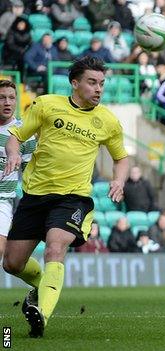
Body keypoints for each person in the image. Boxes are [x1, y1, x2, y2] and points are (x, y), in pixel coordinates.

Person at [2, 56, 129, 338]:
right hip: (35, 196)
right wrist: (12, 151)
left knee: (55, 247)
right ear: (74, 83)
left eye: (102, 84)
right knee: (12, 263)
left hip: (73, 198)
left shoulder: (107, 120)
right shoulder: (47, 105)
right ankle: (41, 288)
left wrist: (118, 180)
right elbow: (16, 135)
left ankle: (41, 315)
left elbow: (121, 158)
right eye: (92, 82)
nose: (99, 89)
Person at [0, 80, 36, 260]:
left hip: (3, 199)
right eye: (2, 98)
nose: (7, 102)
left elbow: (30, 171)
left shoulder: (23, 133)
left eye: (11, 98)